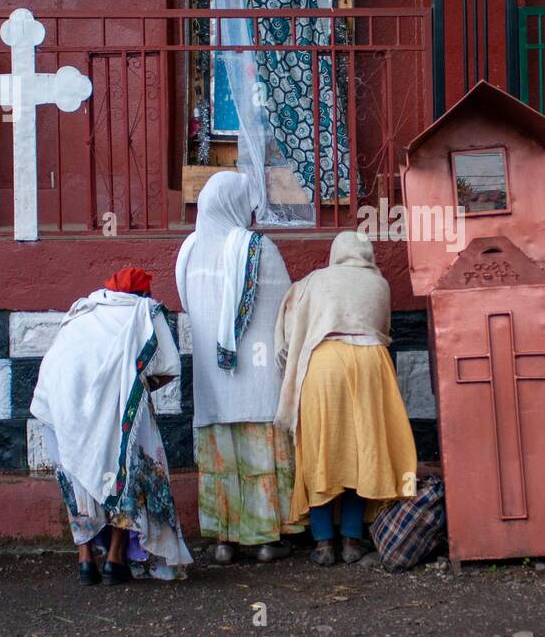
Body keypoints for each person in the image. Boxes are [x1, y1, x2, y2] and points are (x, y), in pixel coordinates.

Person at [31, 267, 192, 585]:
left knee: (78, 478)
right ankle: (115, 560)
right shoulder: (145, 312)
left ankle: (86, 561)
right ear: (143, 293)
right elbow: (168, 368)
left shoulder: (83, 310)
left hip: (64, 407)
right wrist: (136, 390)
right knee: (123, 476)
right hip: (113, 410)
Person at [175, 172, 301, 564]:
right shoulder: (258, 248)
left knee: (222, 463)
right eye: (247, 204)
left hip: (213, 383)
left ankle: (224, 541)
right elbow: (285, 307)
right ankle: (265, 539)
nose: (251, 213)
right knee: (259, 456)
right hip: (257, 380)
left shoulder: (189, 250)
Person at [275, 231, 419, 565]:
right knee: (362, 449)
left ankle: (324, 543)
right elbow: (384, 328)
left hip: (324, 363)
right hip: (371, 365)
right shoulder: (379, 284)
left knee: (320, 450)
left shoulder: (314, 281)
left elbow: (289, 328)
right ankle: (353, 541)